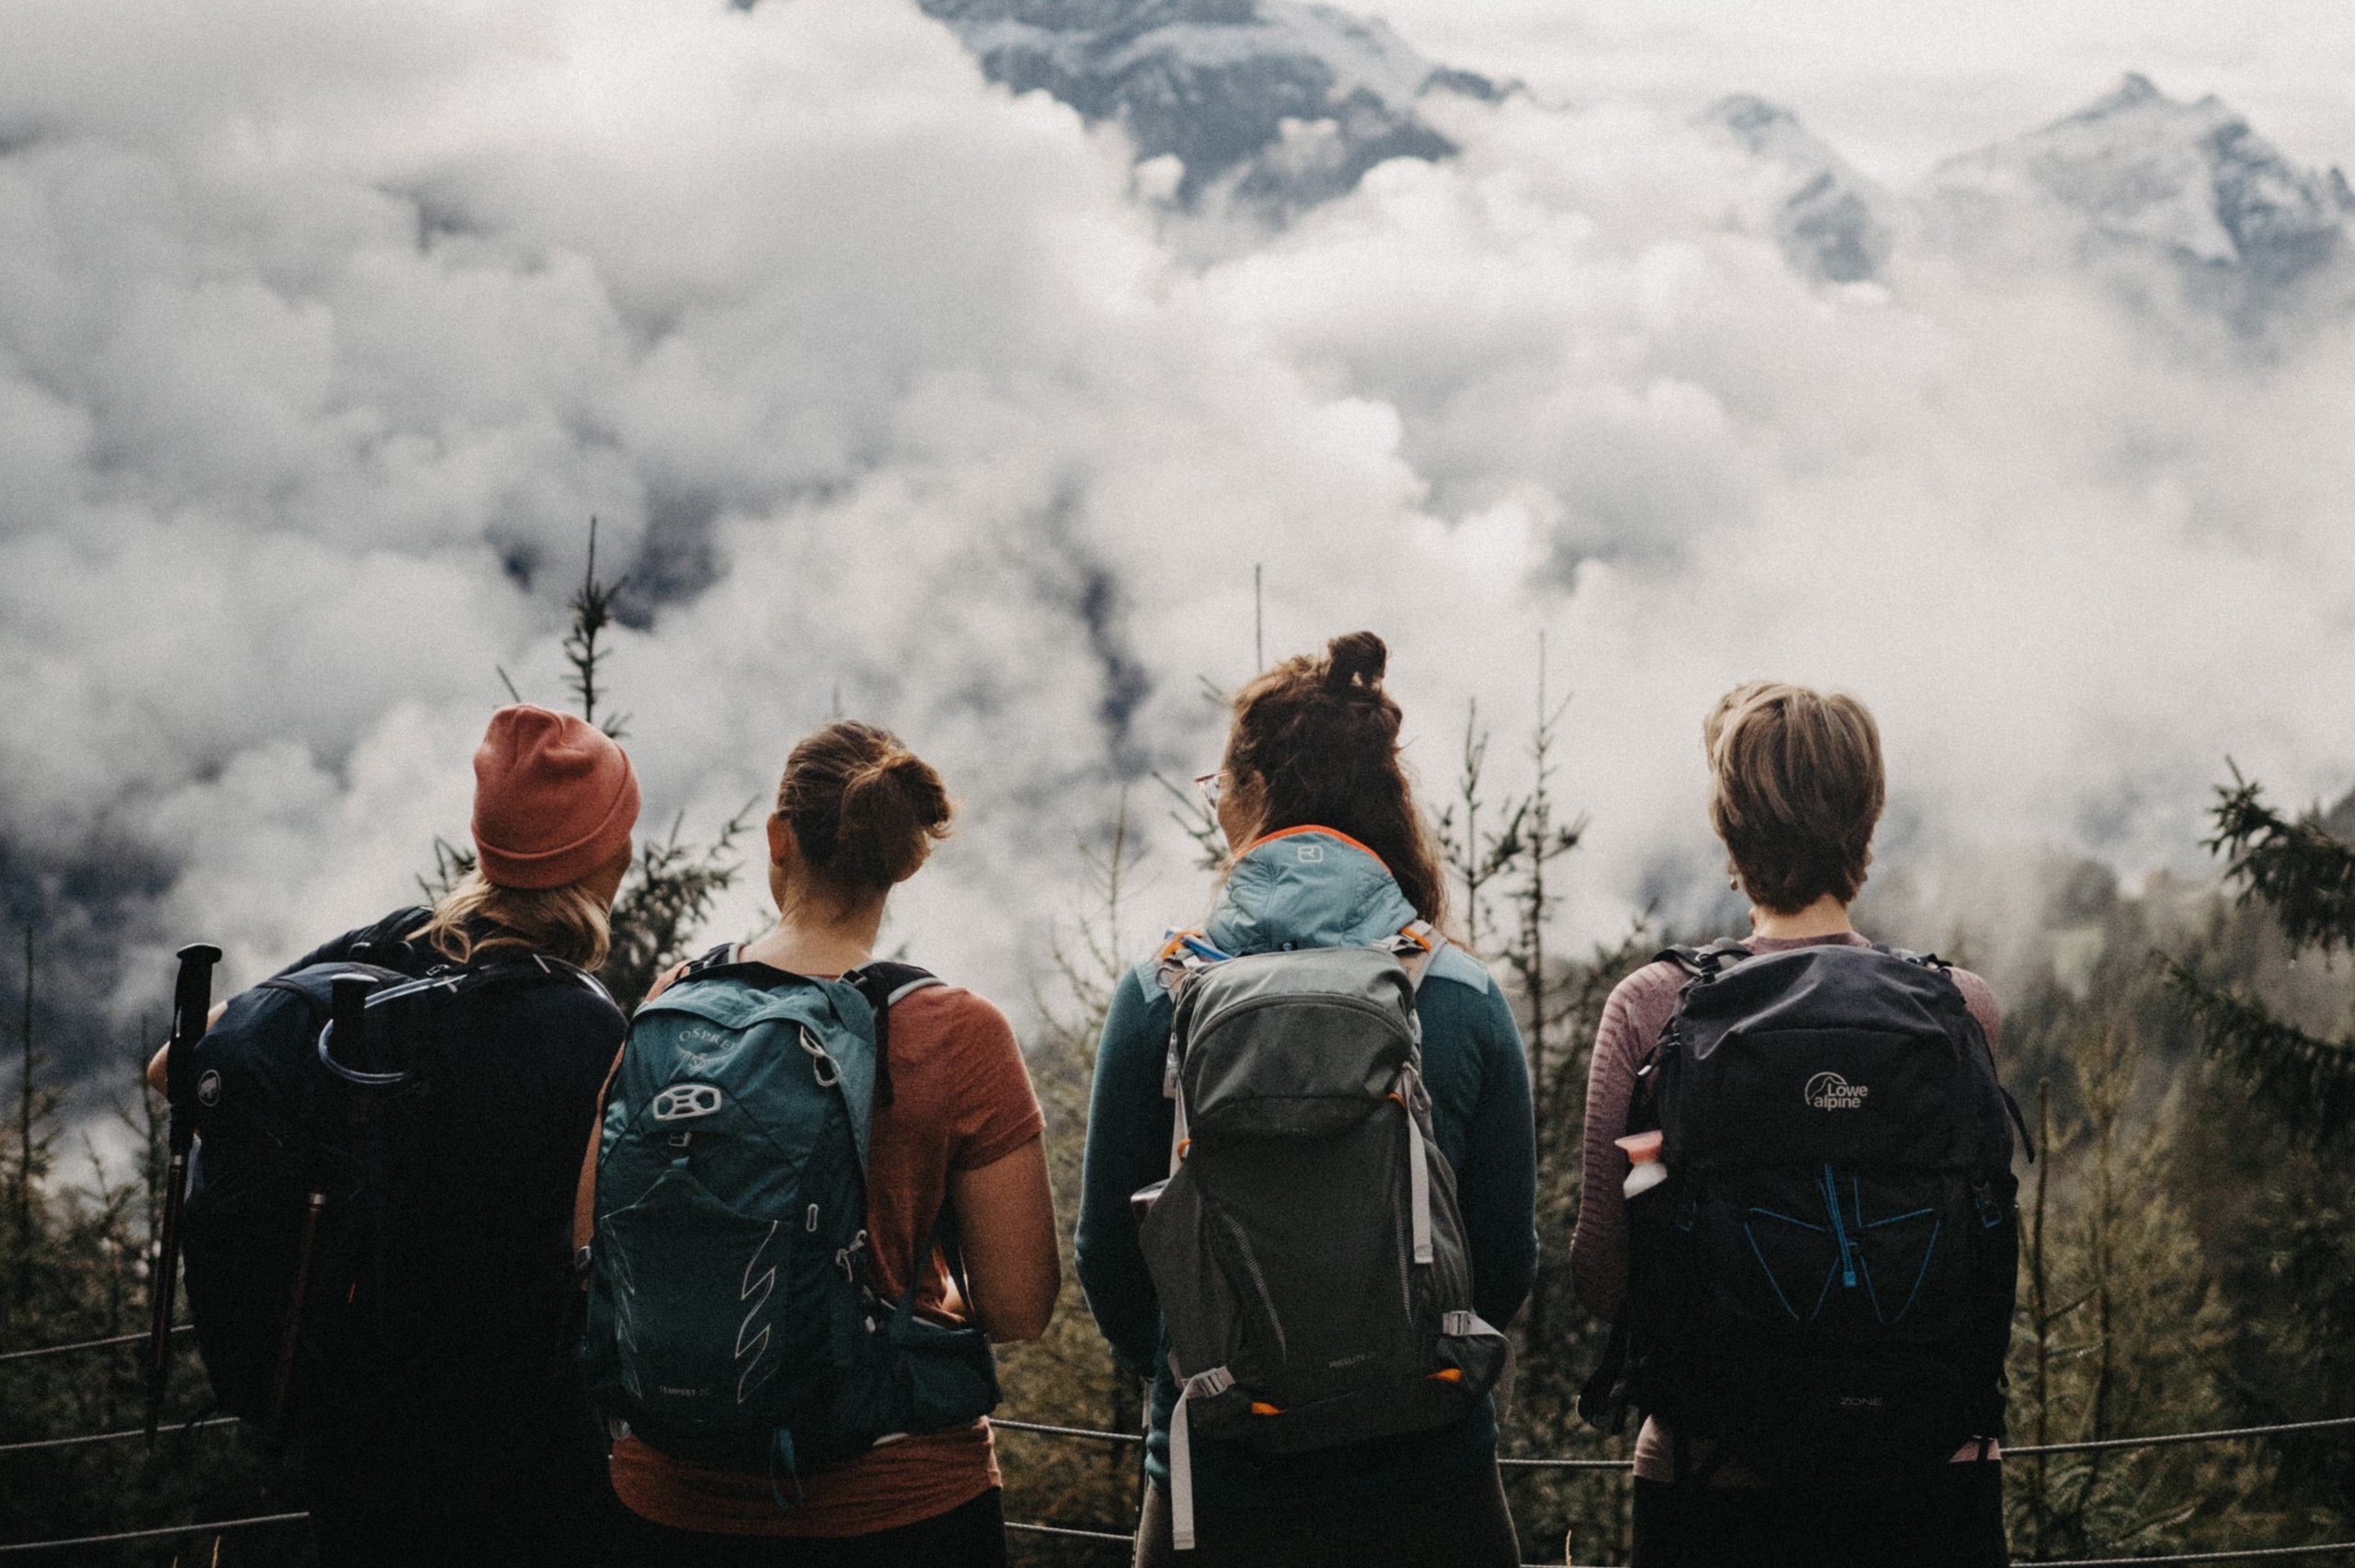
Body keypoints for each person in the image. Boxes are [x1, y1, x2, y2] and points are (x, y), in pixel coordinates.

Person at [1077, 631, 1539, 1568]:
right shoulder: (1455, 994)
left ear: (1248, 795)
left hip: (1219, 1484)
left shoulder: (1156, 996)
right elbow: (1501, 1259)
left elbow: (1107, 1257)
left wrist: (1201, 1369)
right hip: (1428, 1482)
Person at [151, 703, 640, 1568]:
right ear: (606, 858)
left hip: (358, 1447)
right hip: (524, 1453)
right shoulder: (586, 1031)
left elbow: (173, 1068)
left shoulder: (392, 944)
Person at [593, 720, 1060, 1566]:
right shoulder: (958, 1031)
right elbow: (1023, 1306)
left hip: (668, 1497)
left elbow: (589, 1228)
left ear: (778, 840)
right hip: (895, 1504)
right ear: (905, 859)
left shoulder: (672, 1002)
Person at [1569, 681, 2011, 1568]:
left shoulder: (1654, 1008)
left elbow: (1604, 1278)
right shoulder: (1963, 1009)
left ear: (1727, 833)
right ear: (1868, 823)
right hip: (1932, 1480)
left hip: (1712, 1481)